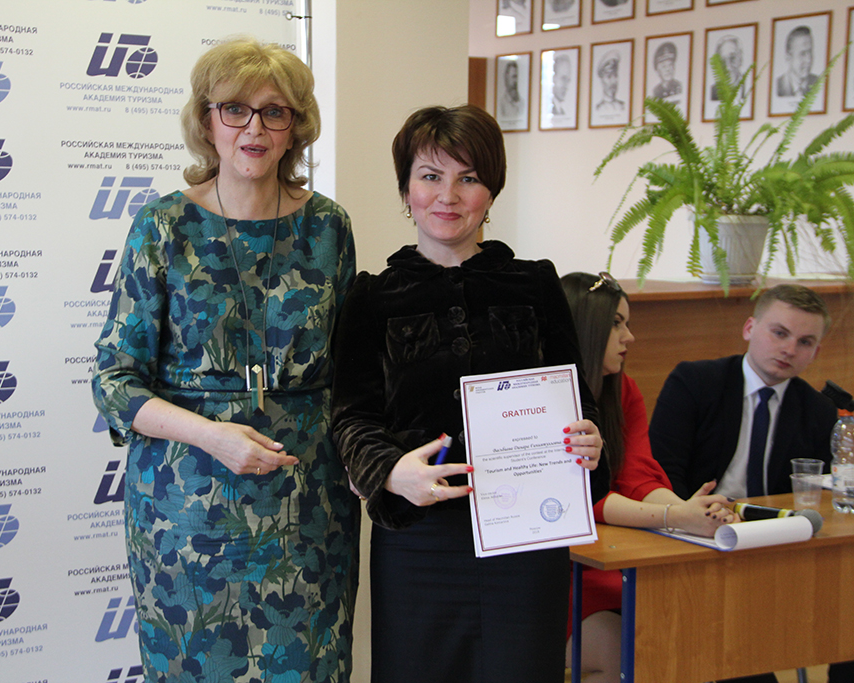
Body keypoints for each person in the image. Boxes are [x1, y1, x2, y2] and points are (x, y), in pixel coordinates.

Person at [92, 37, 359, 683]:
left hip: (308, 511)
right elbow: (114, 380)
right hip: (186, 515)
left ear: (296, 127)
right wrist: (212, 435)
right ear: (206, 121)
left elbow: (352, 370)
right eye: (235, 109)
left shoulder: (329, 227)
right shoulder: (162, 226)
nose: (254, 128)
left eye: (275, 111)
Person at [331, 105, 608, 683]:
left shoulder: (536, 284)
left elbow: (578, 401)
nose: (448, 196)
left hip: (528, 537)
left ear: (492, 190)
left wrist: (589, 439)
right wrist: (390, 473)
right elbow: (352, 418)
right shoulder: (372, 297)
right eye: (430, 176)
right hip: (419, 540)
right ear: (406, 190)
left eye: (469, 178)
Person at [649, 284, 854, 683]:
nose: (789, 349)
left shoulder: (818, 410)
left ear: (816, 352)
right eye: (780, 333)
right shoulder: (694, 382)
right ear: (749, 328)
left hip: (776, 548)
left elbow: (820, 495)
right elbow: (663, 474)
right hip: (699, 542)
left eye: (805, 342)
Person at [560, 272, 736, 683]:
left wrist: (690, 510)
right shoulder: (550, 395)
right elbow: (584, 499)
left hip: (615, 561)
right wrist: (675, 517)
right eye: (616, 324)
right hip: (561, 570)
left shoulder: (623, 391)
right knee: (624, 653)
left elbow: (638, 474)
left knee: (682, 630)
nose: (630, 337)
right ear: (587, 327)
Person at [777, 25, 818, 98]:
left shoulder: (818, 82)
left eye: (810, 52)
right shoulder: (778, 86)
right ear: (788, 57)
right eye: (803, 54)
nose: (808, 60)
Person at [710, 34, 745, 101]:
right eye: (723, 60)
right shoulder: (714, 91)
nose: (728, 66)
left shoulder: (748, 87)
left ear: (740, 58)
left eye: (732, 57)